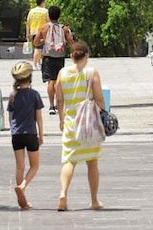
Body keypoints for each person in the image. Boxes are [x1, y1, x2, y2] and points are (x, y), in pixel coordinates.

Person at [56, 40, 105, 211]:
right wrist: (104, 114)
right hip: (89, 124)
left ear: (71, 56)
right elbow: (99, 97)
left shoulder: (62, 73)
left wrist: (61, 119)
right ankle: (94, 200)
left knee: (69, 161)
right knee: (92, 162)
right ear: (87, 55)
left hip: (71, 122)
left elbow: (59, 99)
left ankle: (63, 193)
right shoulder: (91, 72)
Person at [7, 61, 44, 210]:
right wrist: (41, 134)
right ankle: (22, 186)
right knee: (34, 166)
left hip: (16, 135)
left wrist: (13, 129)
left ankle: (22, 201)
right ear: (30, 78)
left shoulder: (13, 95)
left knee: (19, 166)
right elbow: (39, 117)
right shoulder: (34, 95)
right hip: (30, 133)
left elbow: (10, 117)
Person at [33, 5, 73, 115]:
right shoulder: (64, 28)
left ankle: (51, 106)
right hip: (60, 57)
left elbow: (35, 43)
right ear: (59, 16)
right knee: (58, 81)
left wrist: (44, 40)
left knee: (50, 81)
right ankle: (59, 103)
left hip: (47, 57)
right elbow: (70, 42)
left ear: (48, 15)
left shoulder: (43, 28)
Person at [26, 0, 49, 70]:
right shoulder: (45, 11)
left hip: (33, 31)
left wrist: (27, 33)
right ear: (42, 3)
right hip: (42, 32)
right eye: (44, 2)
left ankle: (38, 63)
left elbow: (28, 23)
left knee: (38, 48)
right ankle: (35, 64)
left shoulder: (32, 11)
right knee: (38, 49)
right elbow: (48, 22)